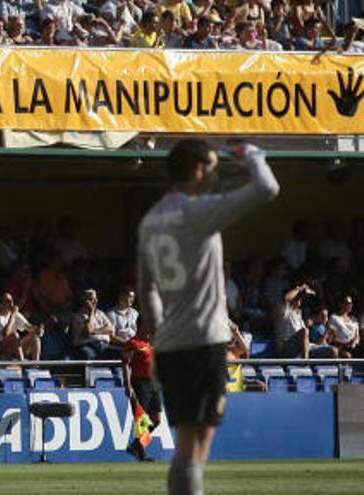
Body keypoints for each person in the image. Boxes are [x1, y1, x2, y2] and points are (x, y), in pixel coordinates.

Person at [137, 139, 279, 495]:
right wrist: (253, 155)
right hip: (203, 339)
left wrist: (157, 339)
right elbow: (267, 187)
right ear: (198, 169)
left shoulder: (151, 220)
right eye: (213, 167)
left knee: (190, 441)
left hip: (171, 343)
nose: (215, 175)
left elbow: (146, 289)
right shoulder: (197, 213)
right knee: (195, 445)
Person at [122, 324, 161, 462]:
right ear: (141, 327)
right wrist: (128, 385)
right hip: (140, 383)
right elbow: (125, 364)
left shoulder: (149, 344)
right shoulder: (133, 343)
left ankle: (135, 445)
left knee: (156, 420)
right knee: (142, 419)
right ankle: (142, 454)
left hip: (154, 384)